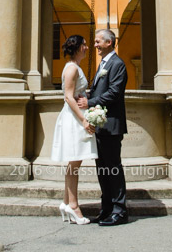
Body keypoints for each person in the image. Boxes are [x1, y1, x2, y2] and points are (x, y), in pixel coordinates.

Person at [79, 28, 128, 226]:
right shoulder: (104, 64)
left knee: (113, 170)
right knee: (102, 170)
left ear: (109, 42)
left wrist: (89, 103)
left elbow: (114, 93)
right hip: (101, 127)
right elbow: (101, 90)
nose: (95, 45)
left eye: (98, 41)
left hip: (112, 126)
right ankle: (106, 208)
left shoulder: (118, 64)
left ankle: (120, 211)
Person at [50, 34, 97, 225]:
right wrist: (84, 119)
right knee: (75, 163)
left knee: (74, 163)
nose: (87, 47)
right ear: (77, 47)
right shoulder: (71, 69)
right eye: (84, 45)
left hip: (76, 116)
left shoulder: (74, 67)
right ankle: (74, 206)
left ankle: (65, 203)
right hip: (74, 119)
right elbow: (68, 97)